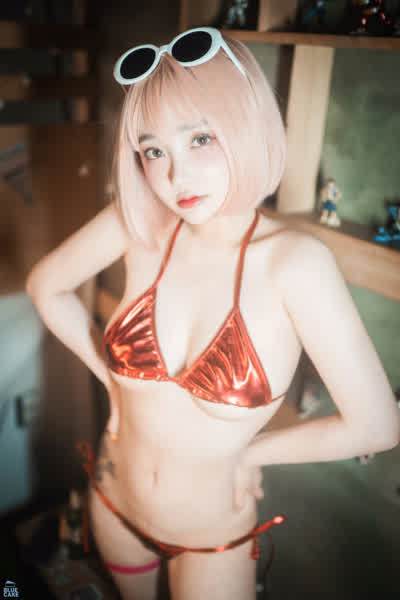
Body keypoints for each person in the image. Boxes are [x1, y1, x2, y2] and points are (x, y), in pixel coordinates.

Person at [26, 27, 399, 600]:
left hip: (210, 539)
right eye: (154, 151)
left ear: (246, 124)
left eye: (199, 138)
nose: (176, 177)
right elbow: (46, 286)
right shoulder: (140, 225)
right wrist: (112, 380)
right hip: (112, 502)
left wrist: (252, 453)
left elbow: (377, 427)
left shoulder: (295, 264)